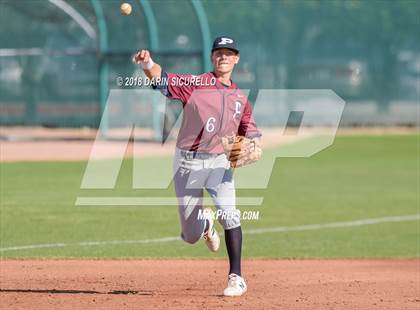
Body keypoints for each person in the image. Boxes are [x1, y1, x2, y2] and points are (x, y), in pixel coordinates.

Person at [133, 36, 261, 297]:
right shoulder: (195, 84)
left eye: (229, 53)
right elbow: (162, 80)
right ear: (212, 57)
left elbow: (250, 132)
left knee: (230, 214)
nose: (223, 57)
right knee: (190, 235)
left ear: (236, 59)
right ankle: (204, 225)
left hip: (219, 164)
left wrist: (254, 145)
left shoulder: (240, 98)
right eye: (219, 53)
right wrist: (148, 64)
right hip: (187, 163)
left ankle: (236, 277)